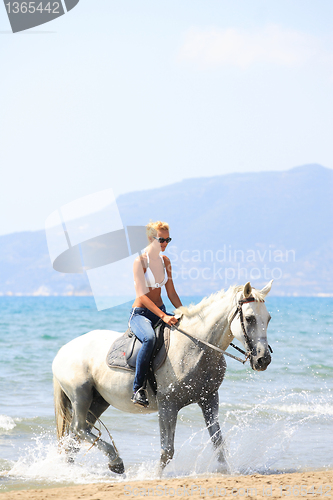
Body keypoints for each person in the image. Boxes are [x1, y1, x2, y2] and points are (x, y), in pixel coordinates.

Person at [129, 220, 182, 407]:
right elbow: (141, 296)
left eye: (168, 240)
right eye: (161, 240)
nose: (165, 244)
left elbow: (171, 293)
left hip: (162, 312)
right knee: (149, 339)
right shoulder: (140, 262)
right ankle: (138, 389)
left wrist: (184, 312)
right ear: (151, 239)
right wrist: (163, 316)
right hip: (141, 314)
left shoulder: (165, 261)